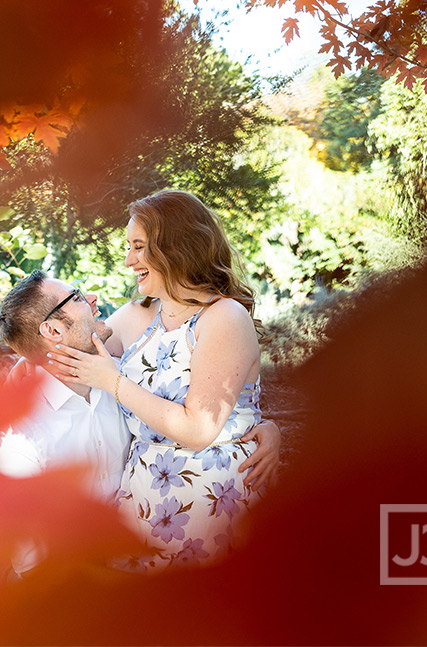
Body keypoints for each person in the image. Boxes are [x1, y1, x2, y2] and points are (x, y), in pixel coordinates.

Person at [0, 266, 279, 571]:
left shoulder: (119, 380)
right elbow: (30, 556)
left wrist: (261, 426)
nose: (92, 297)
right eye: (76, 297)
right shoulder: (20, 434)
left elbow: (184, 402)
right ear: (52, 331)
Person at [45, 190, 269, 570]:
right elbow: (69, 353)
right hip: (143, 502)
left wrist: (114, 382)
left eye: (139, 247)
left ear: (174, 247)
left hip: (212, 505)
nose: (129, 260)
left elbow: (199, 427)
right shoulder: (137, 315)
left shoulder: (225, 318)